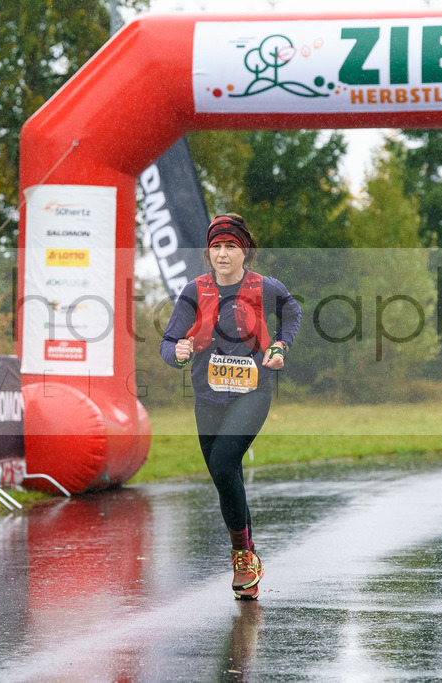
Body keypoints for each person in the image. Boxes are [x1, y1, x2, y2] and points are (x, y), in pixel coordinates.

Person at [160, 213, 301, 600]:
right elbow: (168, 343)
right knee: (225, 476)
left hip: (253, 392)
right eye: (217, 246)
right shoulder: (194, 291)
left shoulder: (264, 287)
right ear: (209, 251)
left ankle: (241, 556)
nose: (223, 254)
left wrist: (280, 345)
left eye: (231, 246)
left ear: (245, 251)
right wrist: (179, 350)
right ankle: (250, 558)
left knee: (224, 464)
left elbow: (292, 310)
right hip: (206, 396)